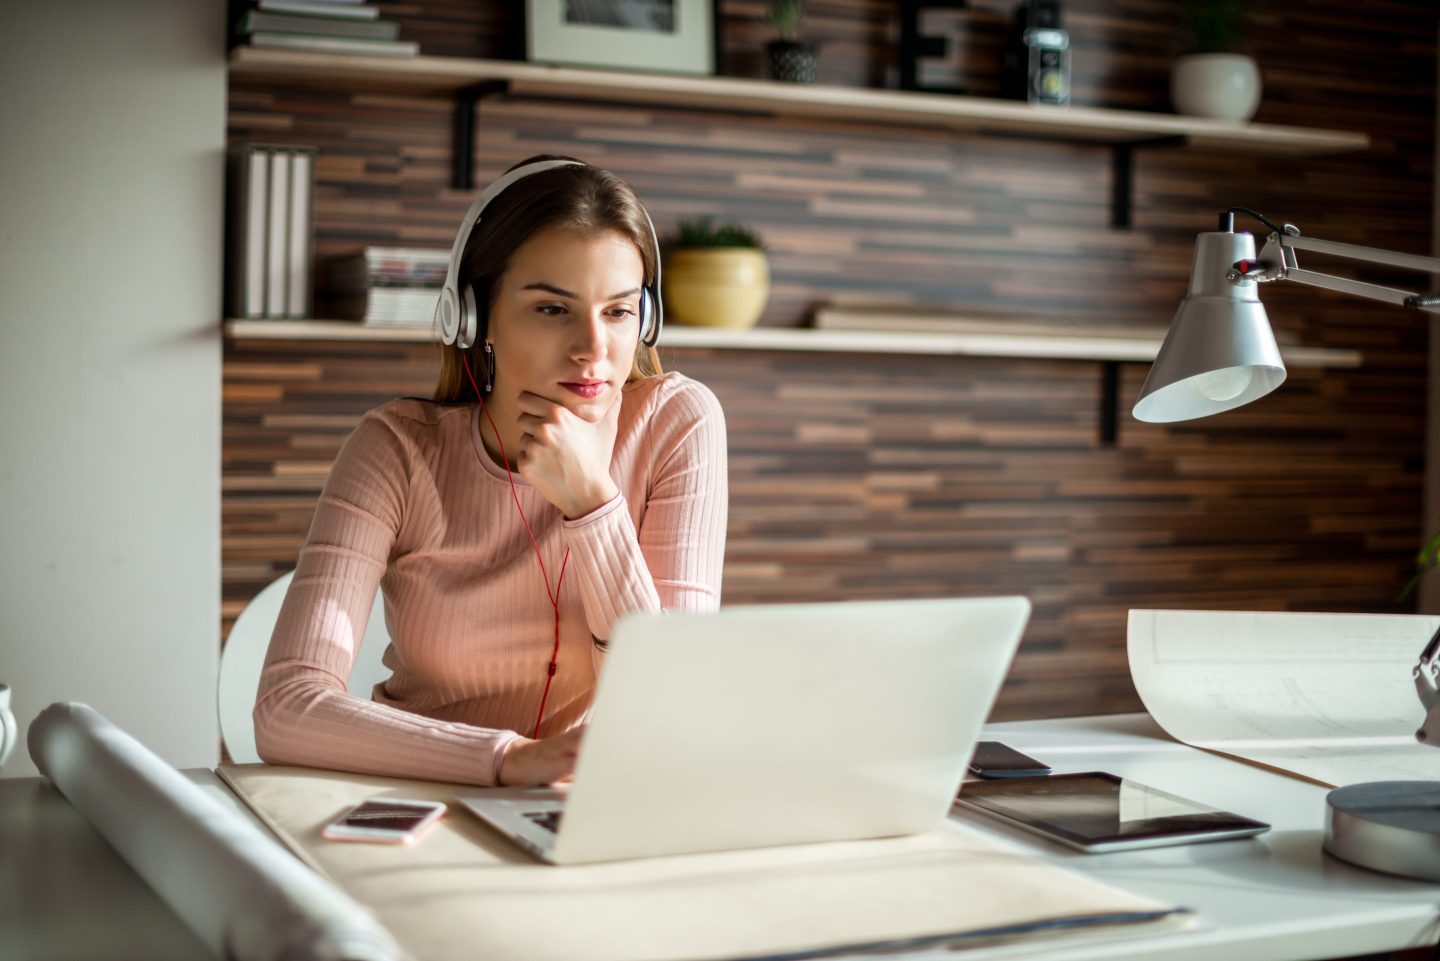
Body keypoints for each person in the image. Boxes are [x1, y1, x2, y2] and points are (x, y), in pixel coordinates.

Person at [253, 155, 729, 788]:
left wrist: (592, 502)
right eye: (552, 310)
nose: (593, 348)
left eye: (617, 312)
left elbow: (675, 704)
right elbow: (286, 710)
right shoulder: (395, 449)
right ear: (475, 320)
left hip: (590, 808)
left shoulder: (678, 422)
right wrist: (506, 760)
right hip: (423, 794)